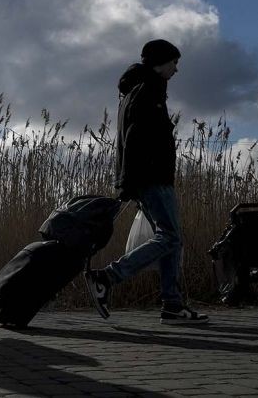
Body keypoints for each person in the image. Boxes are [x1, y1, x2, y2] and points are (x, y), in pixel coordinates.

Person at [84, 39, 209, 325]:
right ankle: (107, 277)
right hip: (151, 178)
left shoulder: (137, 91)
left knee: (171, 241)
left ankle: (173, 306)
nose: (176, 70)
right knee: (171, 237)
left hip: (147, 177)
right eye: (174, 63)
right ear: (160, 62)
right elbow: (135, 139)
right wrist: (131, 180)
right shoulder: (148, 89)